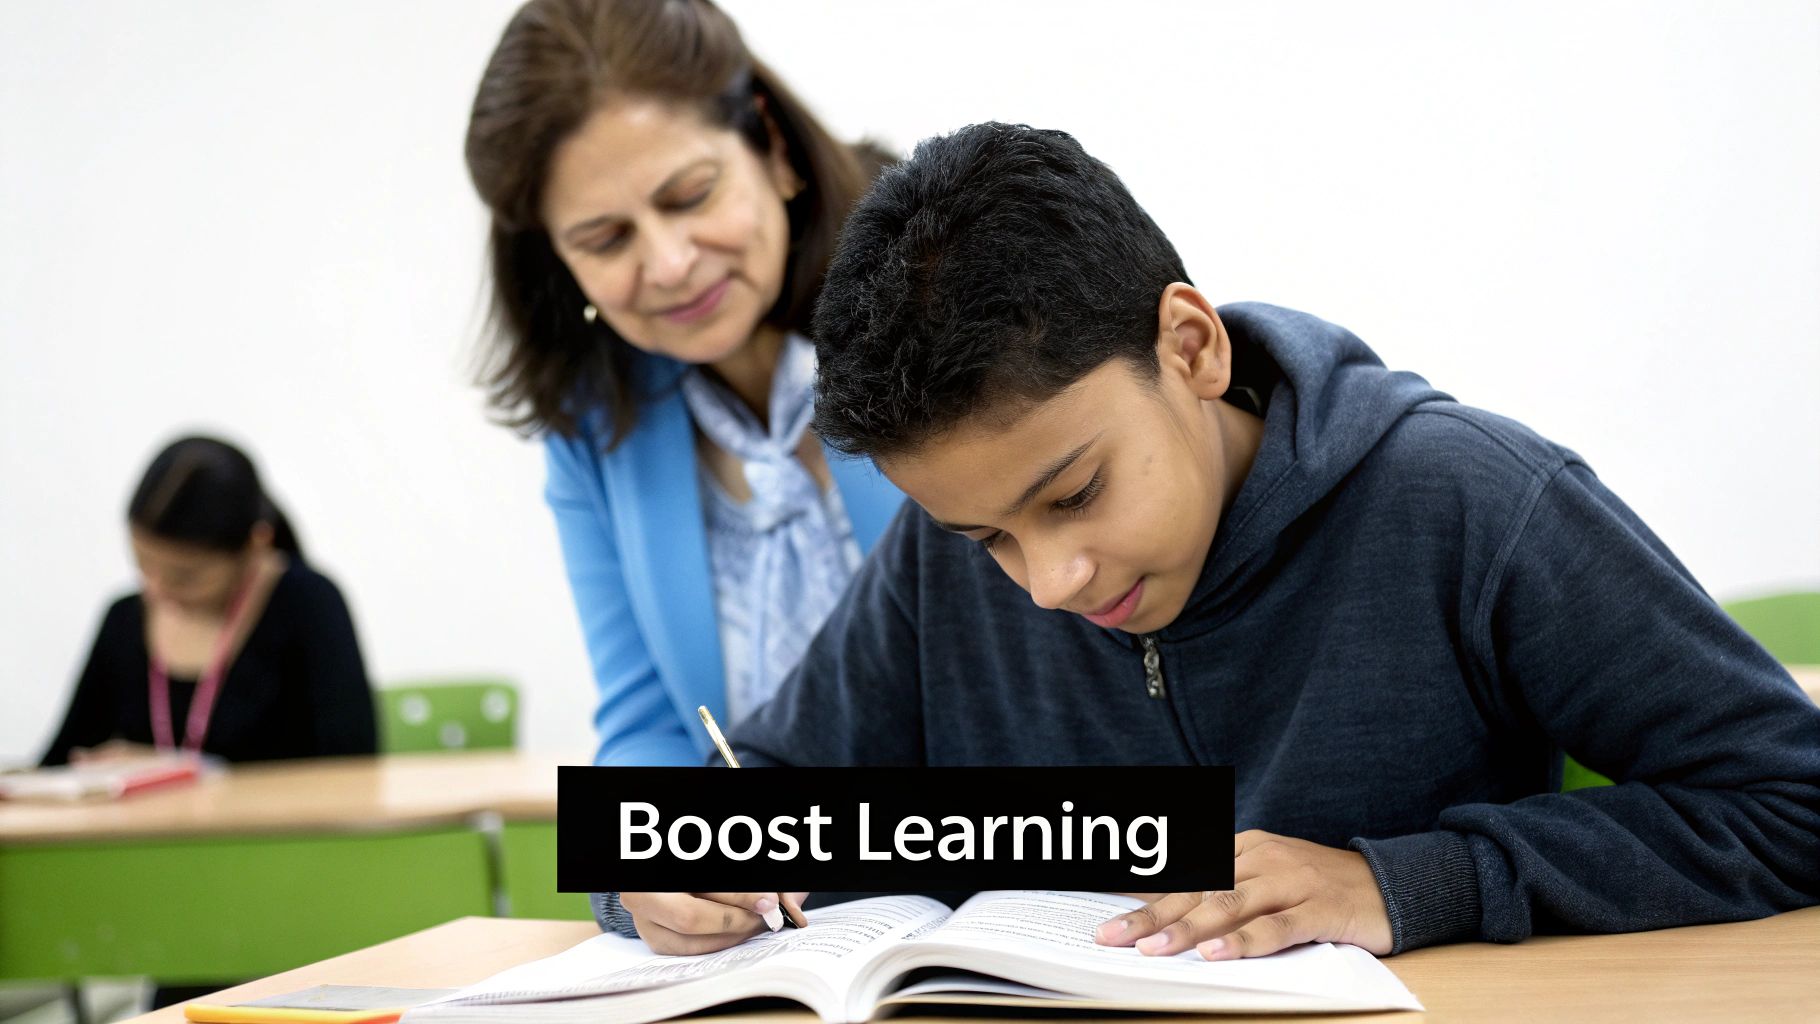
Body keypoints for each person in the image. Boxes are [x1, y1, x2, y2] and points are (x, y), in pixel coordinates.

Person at [608, 123, 1820, 957]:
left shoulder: (1467, 501)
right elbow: (746, 800)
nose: (1046, 584)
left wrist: (1407, 881)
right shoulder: (939, 563)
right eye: (987, 537)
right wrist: (655, 870)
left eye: (1075, 493)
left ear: (1189, 347)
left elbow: (1786, 800)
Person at [464, 0, 904, 768]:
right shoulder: (592, 432)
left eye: (691, 195)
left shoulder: (938, 288)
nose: (669, 264)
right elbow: (643, 734)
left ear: (771, 146)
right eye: (605, 239)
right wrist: (642, 872)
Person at [41, 436, 375, 766]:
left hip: (278, 822)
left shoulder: (309, 603)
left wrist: (182, 772)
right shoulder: (123, 617)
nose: (156, 590)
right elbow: (58, 764)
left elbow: (352, 770)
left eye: (184, 577)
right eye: (143, 564)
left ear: (256, 543)